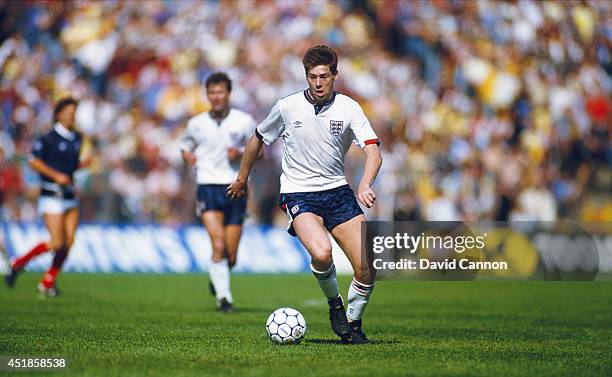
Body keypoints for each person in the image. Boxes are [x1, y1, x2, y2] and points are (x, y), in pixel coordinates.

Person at [227, 46, 382, 343]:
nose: (319, 82)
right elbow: (258, 139)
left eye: (324, 76)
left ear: (335, 75)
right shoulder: (288, 106)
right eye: (313, 77)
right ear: (306, 77)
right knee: (322, 253)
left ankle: (353, 323)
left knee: (366, 268)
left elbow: (373, 152)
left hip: (338, 191)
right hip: (300, 193)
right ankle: (335, 305)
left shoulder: (349, 108)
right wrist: (242, 178)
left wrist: (364, 184)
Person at [180, 72, 259, 313]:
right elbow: (185, 146)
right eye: (212, 92)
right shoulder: (196, 123)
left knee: (231, 256)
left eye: (220, 92)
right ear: (207, 95)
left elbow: (260, 151)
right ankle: (224, 298)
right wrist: (187, 156)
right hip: (208, 186)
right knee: (218, 246)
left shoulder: (243, 121)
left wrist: (241, 154)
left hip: (235, 187)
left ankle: (218, 276)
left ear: (228, 93)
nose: (216, 96)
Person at [5, 97, 90, 297]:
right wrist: (55, 176)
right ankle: (18, 262)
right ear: (59, 114)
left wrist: (81, 166)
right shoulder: (49, 138)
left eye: (73, 113)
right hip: (52, 195)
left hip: (69, 195)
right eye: (68, 112)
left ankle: (48, 281)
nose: (71, 117)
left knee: (68, 242)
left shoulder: (77, 138)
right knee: (56, 243)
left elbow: (68, 167)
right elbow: (33, 160)